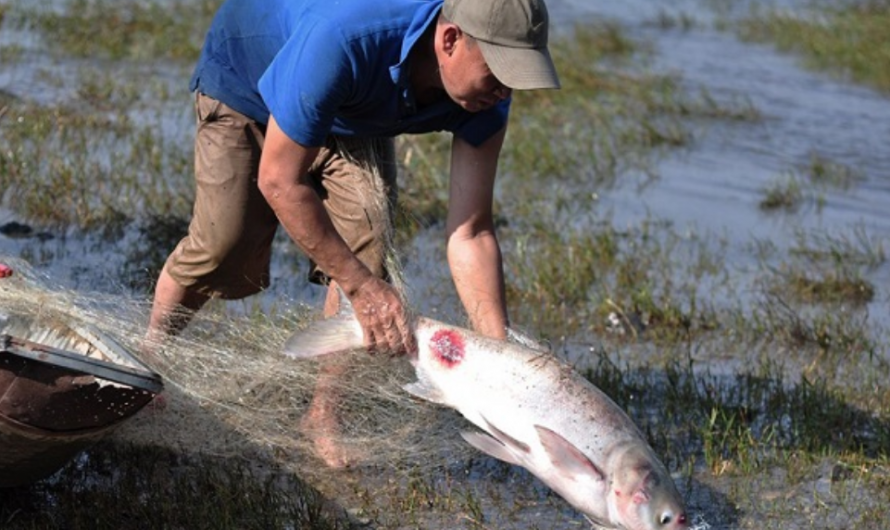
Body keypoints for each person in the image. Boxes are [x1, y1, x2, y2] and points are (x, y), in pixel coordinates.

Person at [147, 0, 560, 466]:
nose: (505, 92)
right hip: (246, 80)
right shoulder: (344, 39)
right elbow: (280, 180)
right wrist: (363, 291)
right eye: (499, 72)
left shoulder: (487, 97)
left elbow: (471, 231)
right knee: (223, 244)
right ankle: (151, 354)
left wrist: (498, 354)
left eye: (516, 76)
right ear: (449, 40)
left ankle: (324, 414)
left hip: (348, 103)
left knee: (368, 237)